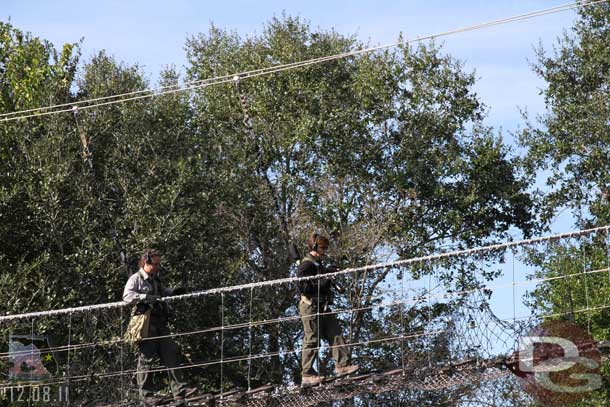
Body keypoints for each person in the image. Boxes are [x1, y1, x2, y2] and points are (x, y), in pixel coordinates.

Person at [123, 249, 197, 405]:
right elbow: (127, 296)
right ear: (146, 262)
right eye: (154, 264)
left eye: (158, 264)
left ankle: (180, 391)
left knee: (170, 353)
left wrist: (173, 292)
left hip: (160, 321)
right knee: (146, 358)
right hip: (146, 322)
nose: (157, 267)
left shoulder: (155, 280)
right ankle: (147, 396)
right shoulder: (136, 279)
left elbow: (162, 292)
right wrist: (145, 297)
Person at [297, 233, 359, 385]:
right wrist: (324, 282)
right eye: (323, 248)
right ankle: (307, 374)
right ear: (315, 247)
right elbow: (303, 286)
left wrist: (328, 272)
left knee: (335, 333)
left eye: (326, 248)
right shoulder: (307, 265)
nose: (325, 251)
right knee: (312, 339)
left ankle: (343, 366)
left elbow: (319, 276)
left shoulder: (317, 264)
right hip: (310, 305)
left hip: (323, 306)